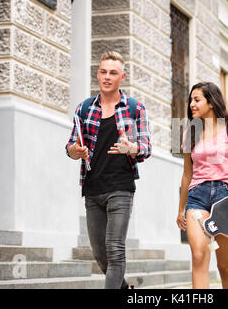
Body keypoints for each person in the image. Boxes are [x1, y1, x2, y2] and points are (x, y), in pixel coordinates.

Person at [65, 51, 151, 289]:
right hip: (92, 189)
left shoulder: (135, 108)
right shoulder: (84, 108)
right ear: (98, 73)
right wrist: (76, 151)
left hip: (120, 189)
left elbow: (146, 147)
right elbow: (70, 147)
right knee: (100, 254)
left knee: (115, 251)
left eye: (113, 73)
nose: (107, 76)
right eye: (103, 71)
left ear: (121, 77)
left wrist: (131, 148)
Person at [176, 81, 228, 289]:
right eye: (191, 101)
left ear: (211, 102)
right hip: (197, 196)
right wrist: (181, 208)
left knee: (225, 265)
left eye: (197, 100)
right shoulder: (190, 132)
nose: (191, 105)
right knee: (198, 254)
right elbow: (187, 174)